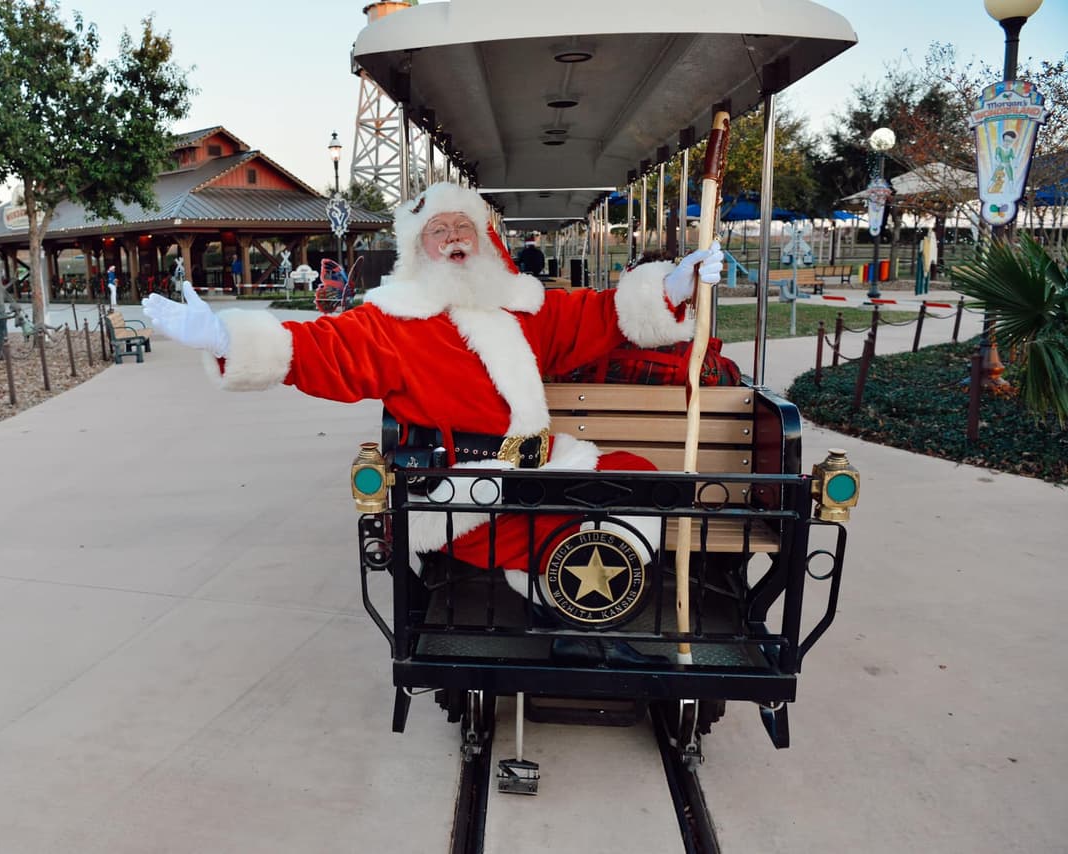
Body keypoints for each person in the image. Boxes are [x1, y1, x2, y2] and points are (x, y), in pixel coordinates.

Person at [143, 183, 721, 659]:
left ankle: (576, 612)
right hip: (460, 491)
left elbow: (600, 315)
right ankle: (582, 628)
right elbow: (321, 350)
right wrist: (226, 337)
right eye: (438, 231)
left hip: (538, 465)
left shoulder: (525, 308)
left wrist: (672, 285)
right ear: (419, 250)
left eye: (462, 227)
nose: (453, 240)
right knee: (556, 528)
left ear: (485, 238)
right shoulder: (392, 322)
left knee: (635, 478)